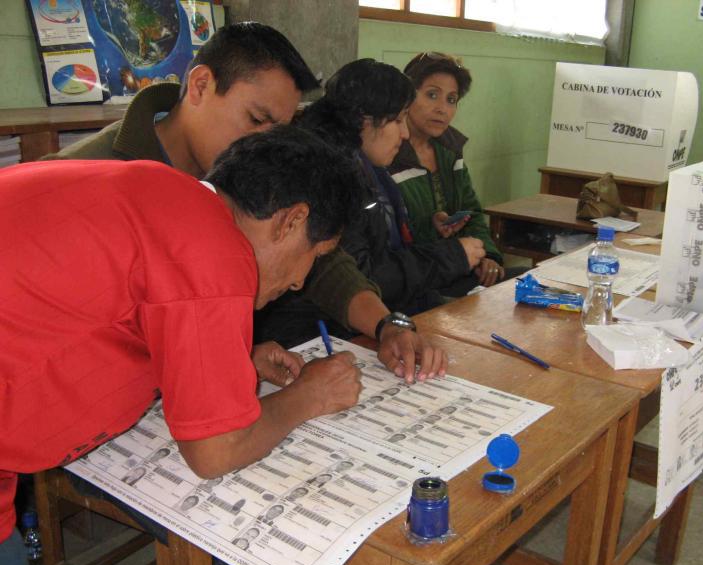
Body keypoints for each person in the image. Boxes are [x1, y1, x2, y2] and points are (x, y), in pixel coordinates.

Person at [0, 127, 364, 565]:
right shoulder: (212, 249)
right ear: (292, 221)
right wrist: (310, 396)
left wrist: (230, 357)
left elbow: (101, 303)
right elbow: (216, 452)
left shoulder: (168, 193)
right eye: (316, 255)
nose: (299, 281)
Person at [46, 22, 447, 385]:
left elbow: (314, 255)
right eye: (256, 120)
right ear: (201, 85)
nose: (265, 142)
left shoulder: (251, 166)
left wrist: (386, 324)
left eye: (279, 129)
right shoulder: (89, 176)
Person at [299, 58, 487, 315]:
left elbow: (387, 247)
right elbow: (364, 279)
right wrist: (450, 256)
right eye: (398, 120)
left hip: (397, 306)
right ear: (363, 120)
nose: (405, 133)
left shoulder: (371, 170)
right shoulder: (334, 180)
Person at [389, 52, 523, 294]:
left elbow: (471, 212)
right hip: (416, 283)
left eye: (451, 100)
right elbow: (391, 243)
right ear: (407, 97)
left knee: (527, 283)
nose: (442, 109)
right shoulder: (388, 154)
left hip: (458, 268)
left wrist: (487, 255)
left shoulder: (450, 150)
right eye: (432, 95)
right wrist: (433, 229)